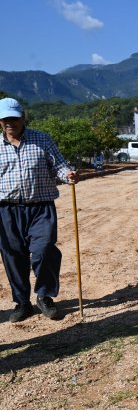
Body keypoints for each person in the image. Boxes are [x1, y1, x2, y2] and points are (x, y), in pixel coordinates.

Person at [0, 97, 78, 322]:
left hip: (40, 207)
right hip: (6, 210)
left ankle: (44, 296)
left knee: (44, 250)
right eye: (5, 119)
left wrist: (68, 175)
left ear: (23, 117)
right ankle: (22, 303)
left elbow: (60, 166)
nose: (9, 123)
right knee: (12, 256)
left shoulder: (42, 139)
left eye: (14, 118)